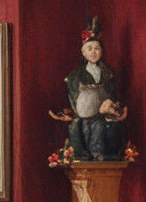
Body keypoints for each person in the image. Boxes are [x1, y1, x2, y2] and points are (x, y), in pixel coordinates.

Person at [52, 18, 127, 160]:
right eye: (89, 48)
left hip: (107, 114)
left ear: (102, 51)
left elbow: (113, 96)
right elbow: (77, 103)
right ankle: (92, 156)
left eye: (97, 48)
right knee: (88, 126)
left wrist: (111, 108)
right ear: (83, 53)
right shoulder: (75, 76)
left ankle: (107, 156)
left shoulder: (109, 72)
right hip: (86, 117)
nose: (93, 52)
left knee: (111, 127)